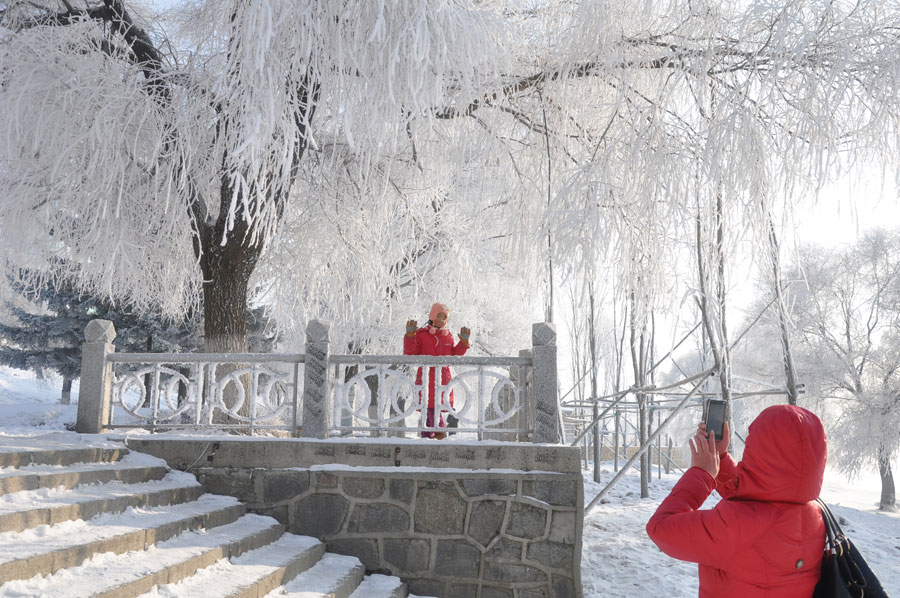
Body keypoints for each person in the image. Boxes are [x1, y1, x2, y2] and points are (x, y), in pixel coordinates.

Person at [646, 404, 827, 598]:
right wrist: (721, 457)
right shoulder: (816, 515)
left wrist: (701, 474)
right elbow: (759, 496)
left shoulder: (737, 525)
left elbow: (660, 528)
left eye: (750, 446)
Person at [403, 302, 471, 439]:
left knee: (435, 407)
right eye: (438, 316)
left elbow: (454, 355)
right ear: (432, 316)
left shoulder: (448, 336)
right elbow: (411, 353)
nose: (441, 320)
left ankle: (428, 435)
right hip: (426, 378)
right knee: (429, 407)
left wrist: (463, 344)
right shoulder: (421, 335)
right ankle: (438, 433)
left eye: (444, 318)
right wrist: (410, 337)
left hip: (443, 379)